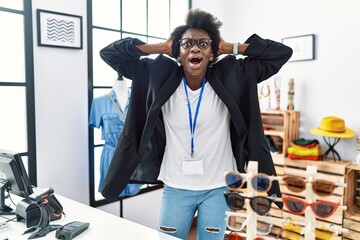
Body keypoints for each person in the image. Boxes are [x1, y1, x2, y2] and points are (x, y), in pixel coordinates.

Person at [99, 8, 292, 240]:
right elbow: (109, 54)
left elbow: (281, 53)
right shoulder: (157, 75)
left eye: (203, 43)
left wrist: (229, 47)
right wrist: (161, 47)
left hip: (218, 188)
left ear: (212, 53)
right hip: (176, 188)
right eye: (187, 43)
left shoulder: (233, 74)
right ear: (177, 52)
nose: (195, 48)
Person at [89, 75, 142, 198]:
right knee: (111, 191)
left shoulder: (139, 102)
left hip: (132, 157)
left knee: (132, 189)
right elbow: (94, 123)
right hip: (111, 155)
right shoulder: (99, 102)